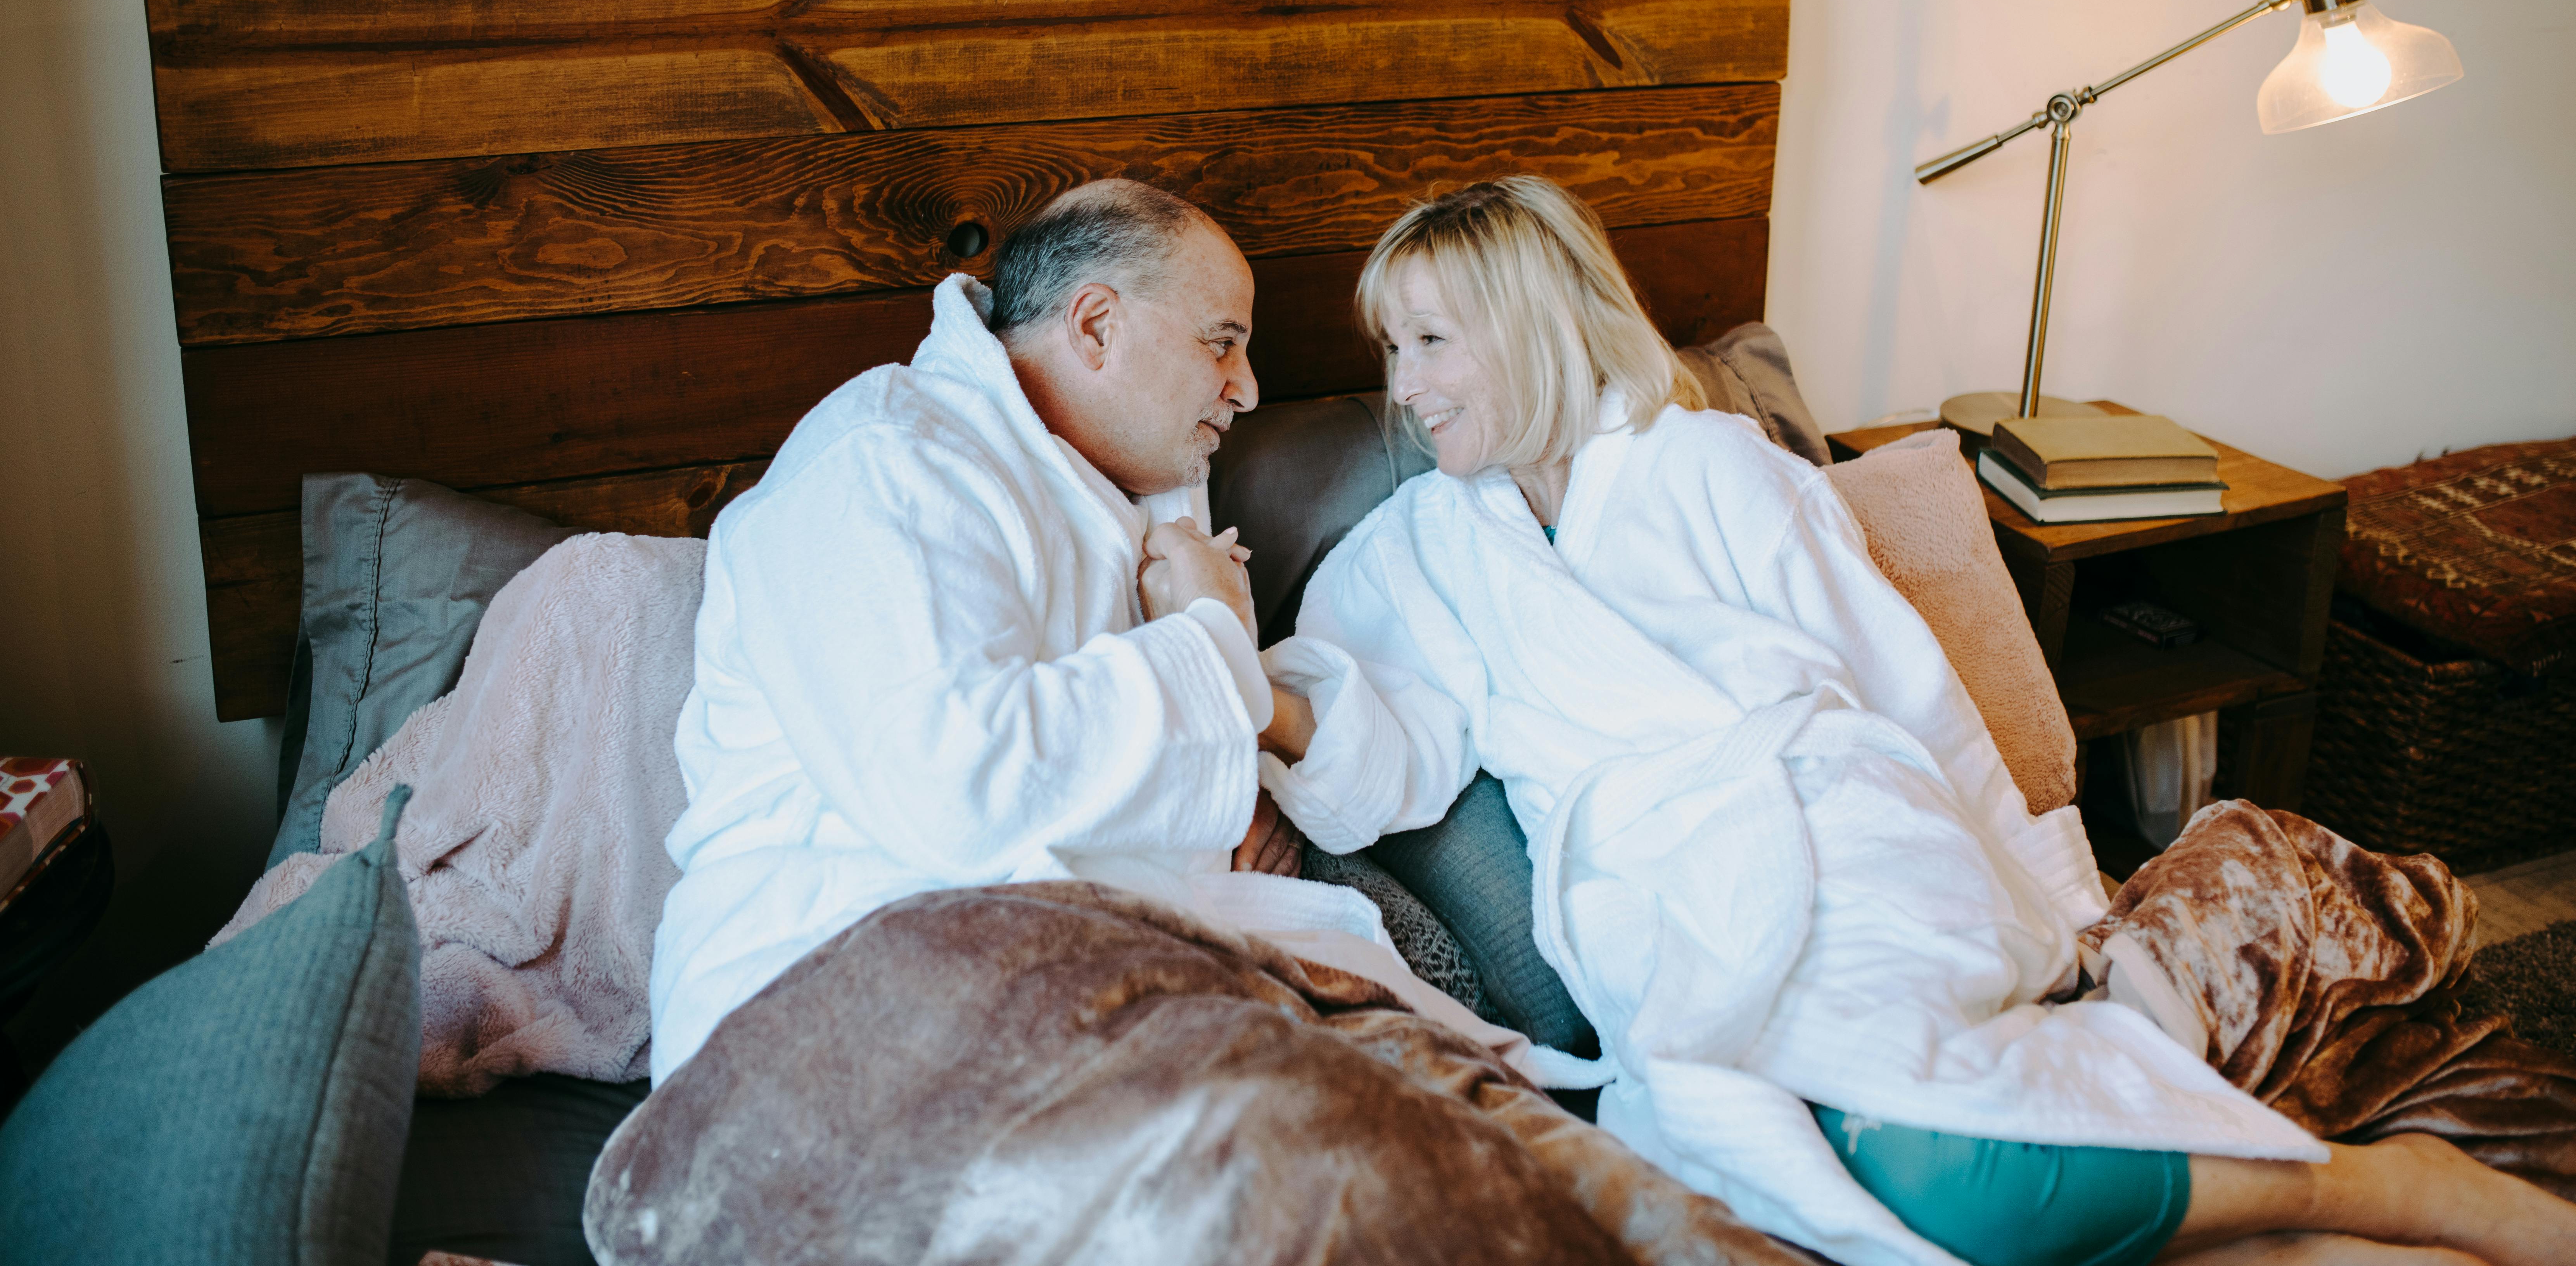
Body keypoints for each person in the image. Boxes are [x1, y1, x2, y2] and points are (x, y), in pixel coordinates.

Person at [1258, 177, 2576, 1266]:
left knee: (1937, 1164)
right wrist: (1243, 679)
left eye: (1432, 341)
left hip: (1845, 824)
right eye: (1393, 347)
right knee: (1808, 1153)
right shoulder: (1412, 553)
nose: (1406, 384)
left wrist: (2068, 901)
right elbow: (1391, 759)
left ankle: (2372, 1189)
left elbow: (1901, 681)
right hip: (1659, 891)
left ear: (1536, 325)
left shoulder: (1714, 464)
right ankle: (2307, 1224)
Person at [648, 178, 1524, 1086]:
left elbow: (1268, 750)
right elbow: (961, 786)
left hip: (1099, 990)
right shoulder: (885, 461)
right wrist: (1209, 639)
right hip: (839, 1009)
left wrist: (1232, 724)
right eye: (1222, 343)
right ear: (1097, 326)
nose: (1250, 389)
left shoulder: (1137, 500)